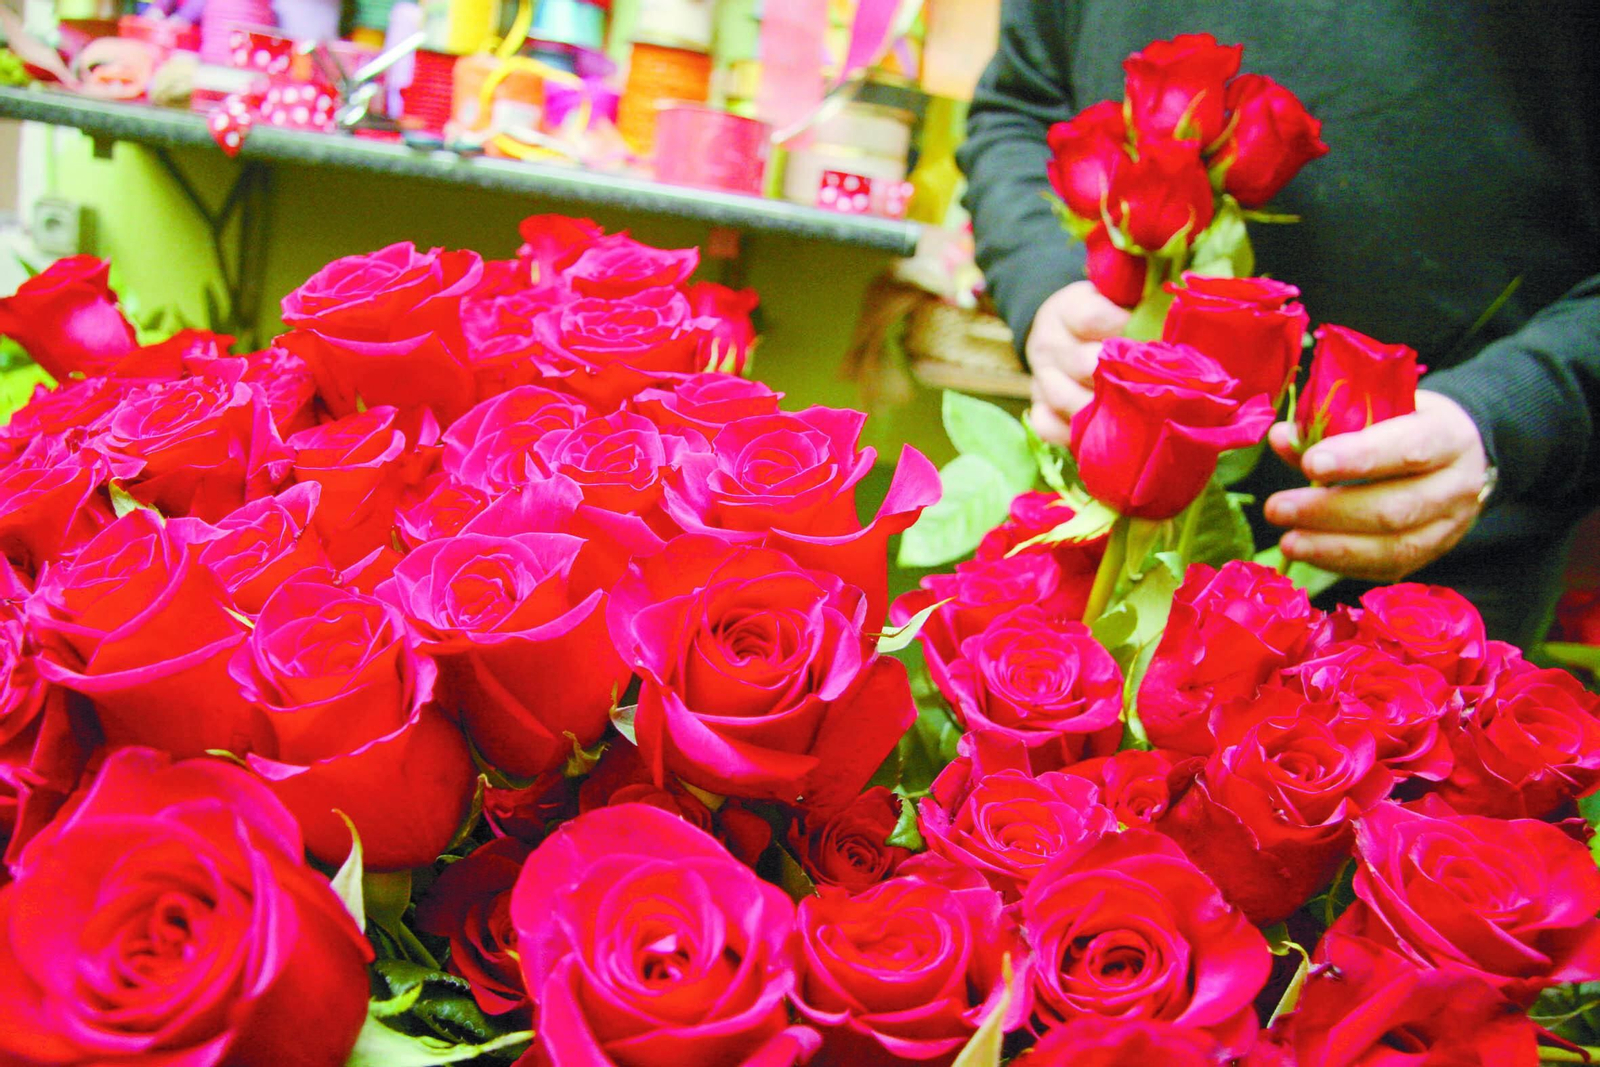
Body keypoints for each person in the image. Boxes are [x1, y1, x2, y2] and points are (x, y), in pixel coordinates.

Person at [956, 0, 1600, 646]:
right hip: (1084, 526)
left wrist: (1509, 412)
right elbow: (1019, 108)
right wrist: (1042, 280)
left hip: (1437, 572)